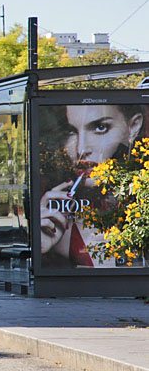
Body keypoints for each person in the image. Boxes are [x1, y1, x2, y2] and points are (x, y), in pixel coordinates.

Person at [39, 104, 144, 268]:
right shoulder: (58, 226)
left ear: (133, 126)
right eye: (71, 132)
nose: (81, 149)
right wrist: (42, 250)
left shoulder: (141, 207)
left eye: (100, 128)